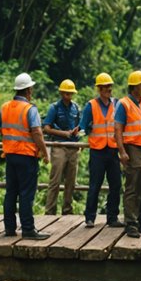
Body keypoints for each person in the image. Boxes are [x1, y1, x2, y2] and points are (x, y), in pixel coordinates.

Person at [0, 72, 50, 239]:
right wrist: (44, 151)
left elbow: (0, 129)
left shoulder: (5, 107)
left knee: (11, 192)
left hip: (10, 155)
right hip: (27, 155)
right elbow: (37, 132)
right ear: (28, 90)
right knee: (27, 193)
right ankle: (28, 229)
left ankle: (9, 228)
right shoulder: (30, 109)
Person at [80, 73, 122, 229]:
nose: (108, 89)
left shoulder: (116, 104)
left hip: (112, 149)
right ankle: (90, 217)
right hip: (97, 150)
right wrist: (85, 129)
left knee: (116, 185)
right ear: (99, 89)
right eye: (104, 87)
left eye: (109, 86)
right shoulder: (91, 106)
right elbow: (83, 126)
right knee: (95, 185)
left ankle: (113, 217)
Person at [113, 71, 141, 238]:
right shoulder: (124, 104)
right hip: (132, 148)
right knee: (133, 186)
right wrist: (122, 151)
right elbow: (117, 128)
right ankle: (131, 223)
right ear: (135, 86)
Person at [41, 79, 82, 215]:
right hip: (58, 145)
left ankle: (67, 210)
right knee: (55, 179)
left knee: (71, 181)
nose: (68, 96)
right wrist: (63, 133)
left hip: (73, 146)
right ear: (61, 93)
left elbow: (81, 126)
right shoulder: (54, 108)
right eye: (66, 93)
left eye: (70, 94)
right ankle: (50, 211)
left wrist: (78, 132)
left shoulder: (76, 108)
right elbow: (46, 127)